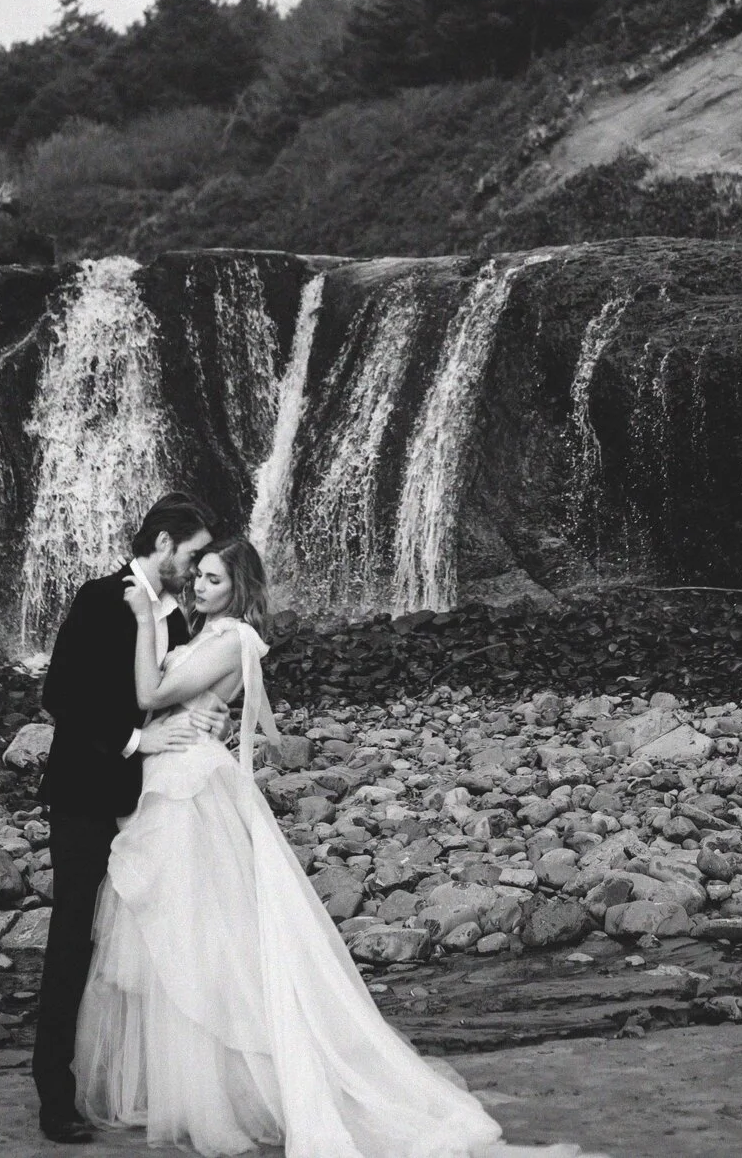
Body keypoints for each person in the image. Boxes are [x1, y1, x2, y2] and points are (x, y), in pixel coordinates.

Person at [74, 537, 583, 1157]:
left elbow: (152, 693)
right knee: (177, 934)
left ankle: (228, 1089)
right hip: (170, 773)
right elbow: (152, 698)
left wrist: (137, 621)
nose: (200, 587)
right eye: (199, 577)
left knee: (205, 936)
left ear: (239, 588)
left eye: (213, 579)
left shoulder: (234, 638)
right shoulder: (200, 632)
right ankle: (186, 1088)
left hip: (190, 787)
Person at [33, 491, 223, 1146]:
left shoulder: (181, 617)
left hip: (152, 801)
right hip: (87, 794)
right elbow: (60, 694)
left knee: (147, 941)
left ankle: (132, 1081)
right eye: (193, 553)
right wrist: (136, 742)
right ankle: (54, 1094)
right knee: (75, 937)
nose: (199, 566)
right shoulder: (96, 597)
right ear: (163, 544)